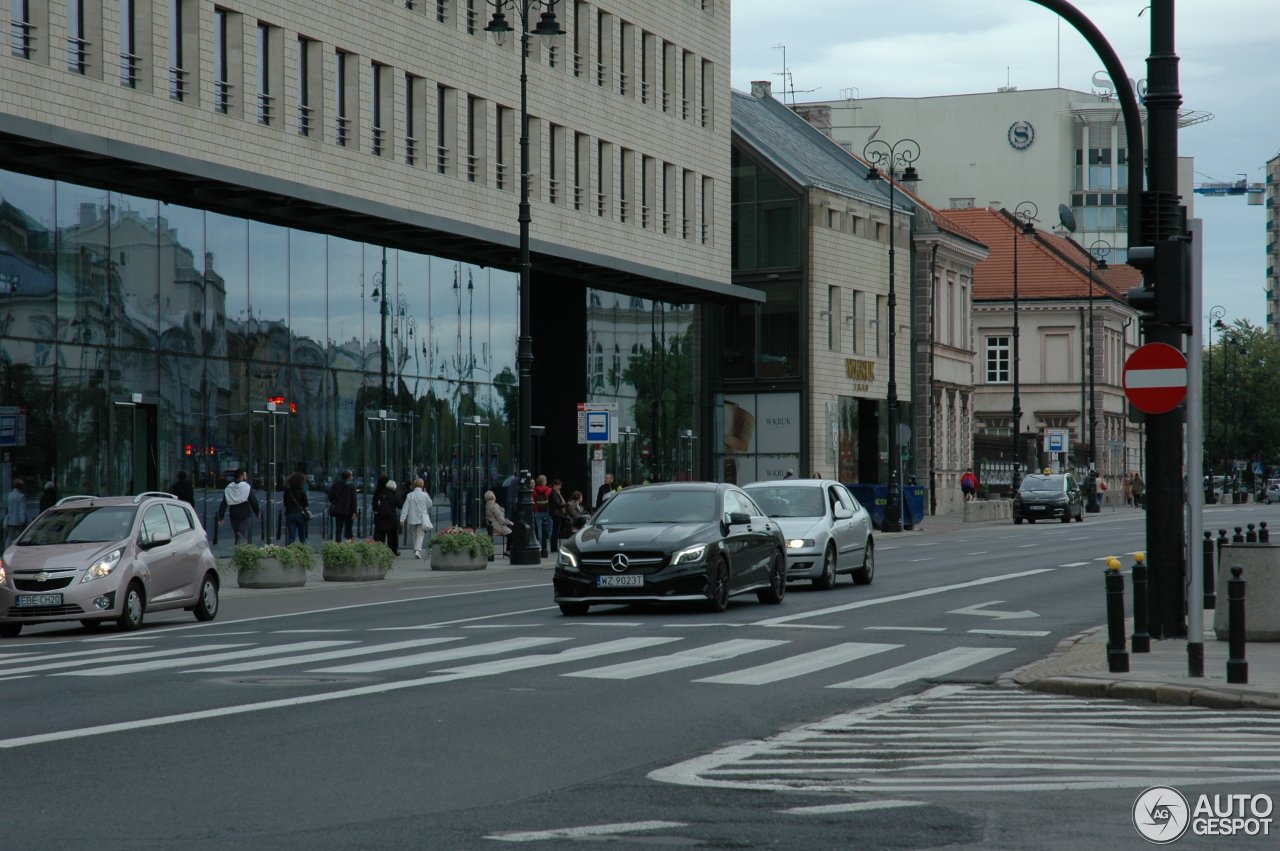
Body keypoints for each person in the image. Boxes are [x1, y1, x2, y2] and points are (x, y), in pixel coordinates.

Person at [216, 470, 260, 545]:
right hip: (245, 515)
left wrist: (221, 517)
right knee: (242, 535)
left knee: (237, 535)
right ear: (241, 476)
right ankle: (240, 552)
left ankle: (237, 551)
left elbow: (224, 503)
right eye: (245, 475)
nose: (246, 477)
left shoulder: (229, 487)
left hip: (233, 515)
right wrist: (257, 512)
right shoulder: (246, 487)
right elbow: (253, 501)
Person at [400, 477, 434, 559]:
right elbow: (430, 504)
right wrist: (427, 495)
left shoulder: (409, 495)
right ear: (422, 486)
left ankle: (415, 550)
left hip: (412, 518)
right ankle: (418, 550)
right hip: (421, 518)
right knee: (420, 534)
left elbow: (405, 508)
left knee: (413, 534)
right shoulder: (424, 495)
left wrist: (402, 519)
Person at [372, 478, 400, 555]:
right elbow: (400, 505)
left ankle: (378, 551)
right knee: (392, 537)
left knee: (380, 536)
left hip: (380, 519)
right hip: (391, 519)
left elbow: (374, 506)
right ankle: (393, 551)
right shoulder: (393, 496)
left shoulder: (378, 494)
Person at [327, 470, 357, 541]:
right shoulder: (351, 486)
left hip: (338, 510)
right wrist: (354, 512)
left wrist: (335, 502)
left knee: (339, 528)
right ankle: (349, 544)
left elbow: (330, 496)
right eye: (351, 476)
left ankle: (338, 544)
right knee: (348, 529)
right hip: (348, 510)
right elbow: (354, 500)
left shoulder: (336, 484)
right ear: (349, 477)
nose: (352, 477)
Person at [282, 471, 310, 545]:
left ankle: (291, 552)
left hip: (290, 514)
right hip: (300, 514)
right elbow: (306, 504)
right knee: (302, 537)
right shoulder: (302, 491)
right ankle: (304, 551)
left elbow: (285, 503)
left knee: (291, 537)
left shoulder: (288, 491)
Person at [532, 474, 553, 555]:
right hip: (547, 511)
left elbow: (533, 502)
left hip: (538, 512)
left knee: (540, 530)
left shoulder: (534, 491)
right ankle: (552, 546)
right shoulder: (549, 490)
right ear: (544, 481)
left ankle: (542, 546)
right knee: (550, 529)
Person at [5, 478, 28, 545]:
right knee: (23, 535)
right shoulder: (21, 496)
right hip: (19, 520)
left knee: (10, 537)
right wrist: (23, 520)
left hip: (11, 520)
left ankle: (7, 549)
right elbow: (22, 509)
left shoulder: (10, 495)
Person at [548, 479, 568, 545]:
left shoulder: (556, 493)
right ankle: (554, 546)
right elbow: (558, 504)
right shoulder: (554, 493)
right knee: (555, 531)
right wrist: (567, 504)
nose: (560, 487)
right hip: (556, 513)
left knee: (556, 530)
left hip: (556, 513)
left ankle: (554, 546)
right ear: (555, 485)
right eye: (559, 485)